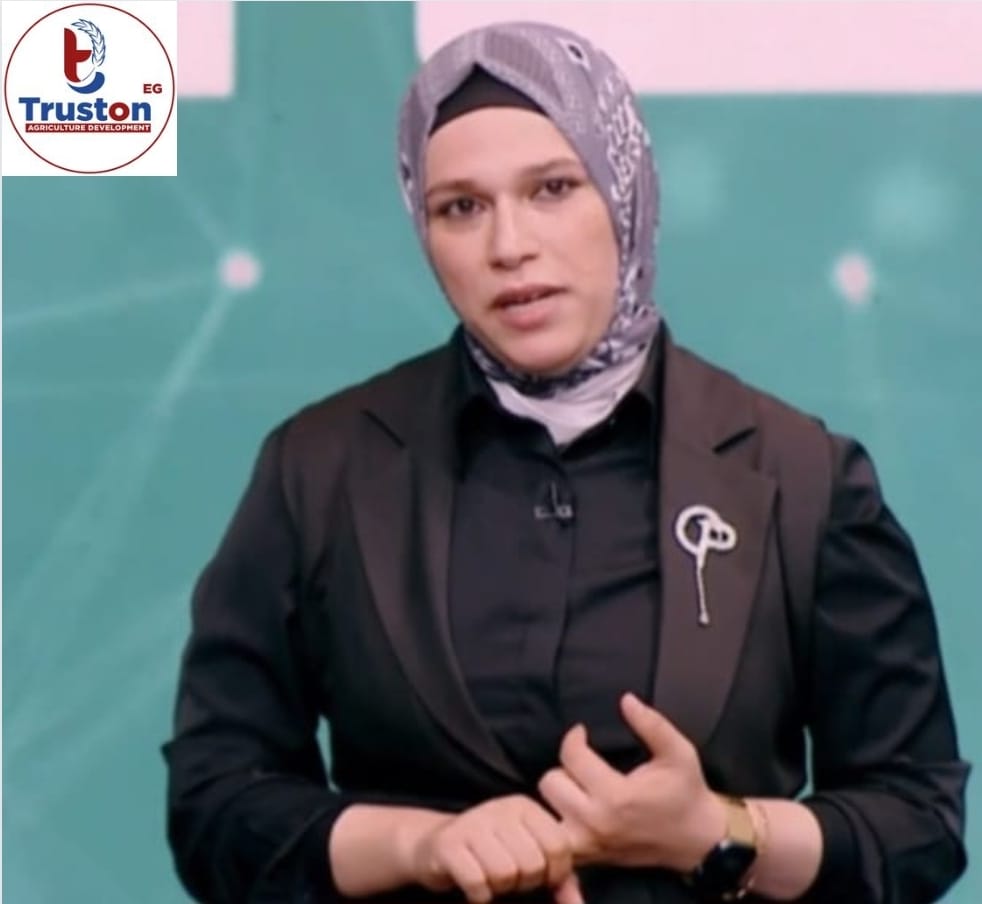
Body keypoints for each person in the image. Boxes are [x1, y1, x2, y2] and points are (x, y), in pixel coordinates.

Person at [163, 20, 969, 904]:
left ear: (623, 192)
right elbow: (215, 804)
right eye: (461, 207)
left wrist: (717, 831)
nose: (508, 245)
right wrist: (421, 844)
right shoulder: (321, 469)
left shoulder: (801, 477)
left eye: (551, 188)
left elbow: (918, 823)